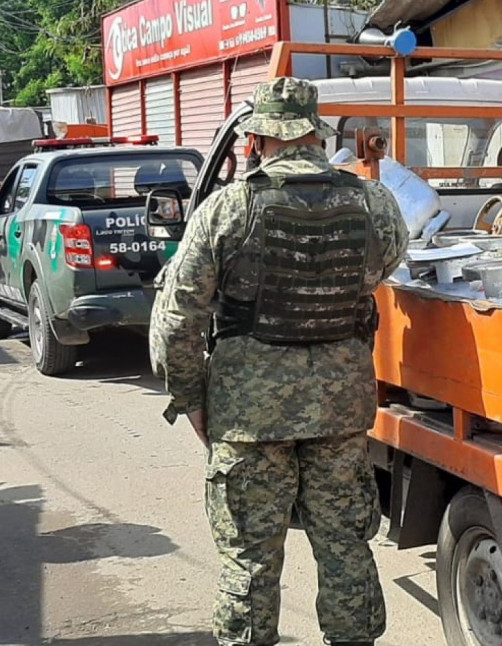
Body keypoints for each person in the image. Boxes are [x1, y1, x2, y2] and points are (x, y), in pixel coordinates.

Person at [150, 76, 407, 646]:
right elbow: (380, 273)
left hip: (249, 415)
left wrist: (190, 398)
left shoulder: (227, 209)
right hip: (340, 409)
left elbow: (179, 317)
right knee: (345, 546)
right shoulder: (374, 202)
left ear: (260, 139)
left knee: (249, 558)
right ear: (315, 135)